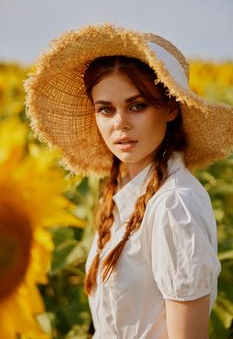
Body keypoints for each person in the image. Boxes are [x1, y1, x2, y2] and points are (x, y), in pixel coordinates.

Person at [24, 23, 233, 339]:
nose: (119, 123)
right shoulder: (125, 193)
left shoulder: (174, 205)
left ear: (170, 109)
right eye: (106, 110)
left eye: (137, 106)